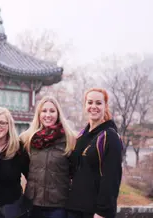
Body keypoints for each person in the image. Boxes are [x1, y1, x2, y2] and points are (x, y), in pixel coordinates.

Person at [67, 88, 123, 218]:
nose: (94, 106)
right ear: (85, 105)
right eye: (90, 102)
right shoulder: (81, 135)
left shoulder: (110, 136)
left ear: (105, 106)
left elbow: (112, 178)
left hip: (94, 212)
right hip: (73, 208)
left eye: (98, 103)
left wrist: (102, 212)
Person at [20, 96, 76, 218]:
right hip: (33, 204)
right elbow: (25, 169)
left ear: (58, 113)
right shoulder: (27, 139)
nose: (48, 115)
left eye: (52, 111)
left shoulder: (70, 139)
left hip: (58, 205)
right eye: (44, 111)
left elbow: (74, 171)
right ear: (38, 114)